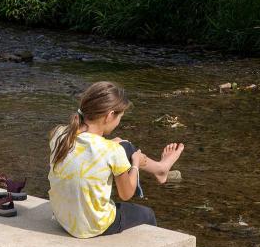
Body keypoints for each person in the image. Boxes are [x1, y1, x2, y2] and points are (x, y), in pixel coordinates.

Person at [48, 81, 183, 238]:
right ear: (110, 115)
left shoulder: (60, 134)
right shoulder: (112, 151)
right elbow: (126, 194)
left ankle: (160, 169)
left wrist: (116, 146)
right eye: (120, 117)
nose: (119, 122)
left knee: (124, 146)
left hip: (62, 218)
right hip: (92, 227)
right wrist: (136, 164)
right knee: (147, 214)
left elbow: (85, 151)